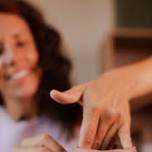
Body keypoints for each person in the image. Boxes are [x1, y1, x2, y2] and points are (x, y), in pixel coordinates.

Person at [0, 0, 138, 152]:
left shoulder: (85, 117)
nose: (12, 58)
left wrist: (119, 82)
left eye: (21, 43)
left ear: (39, 47)